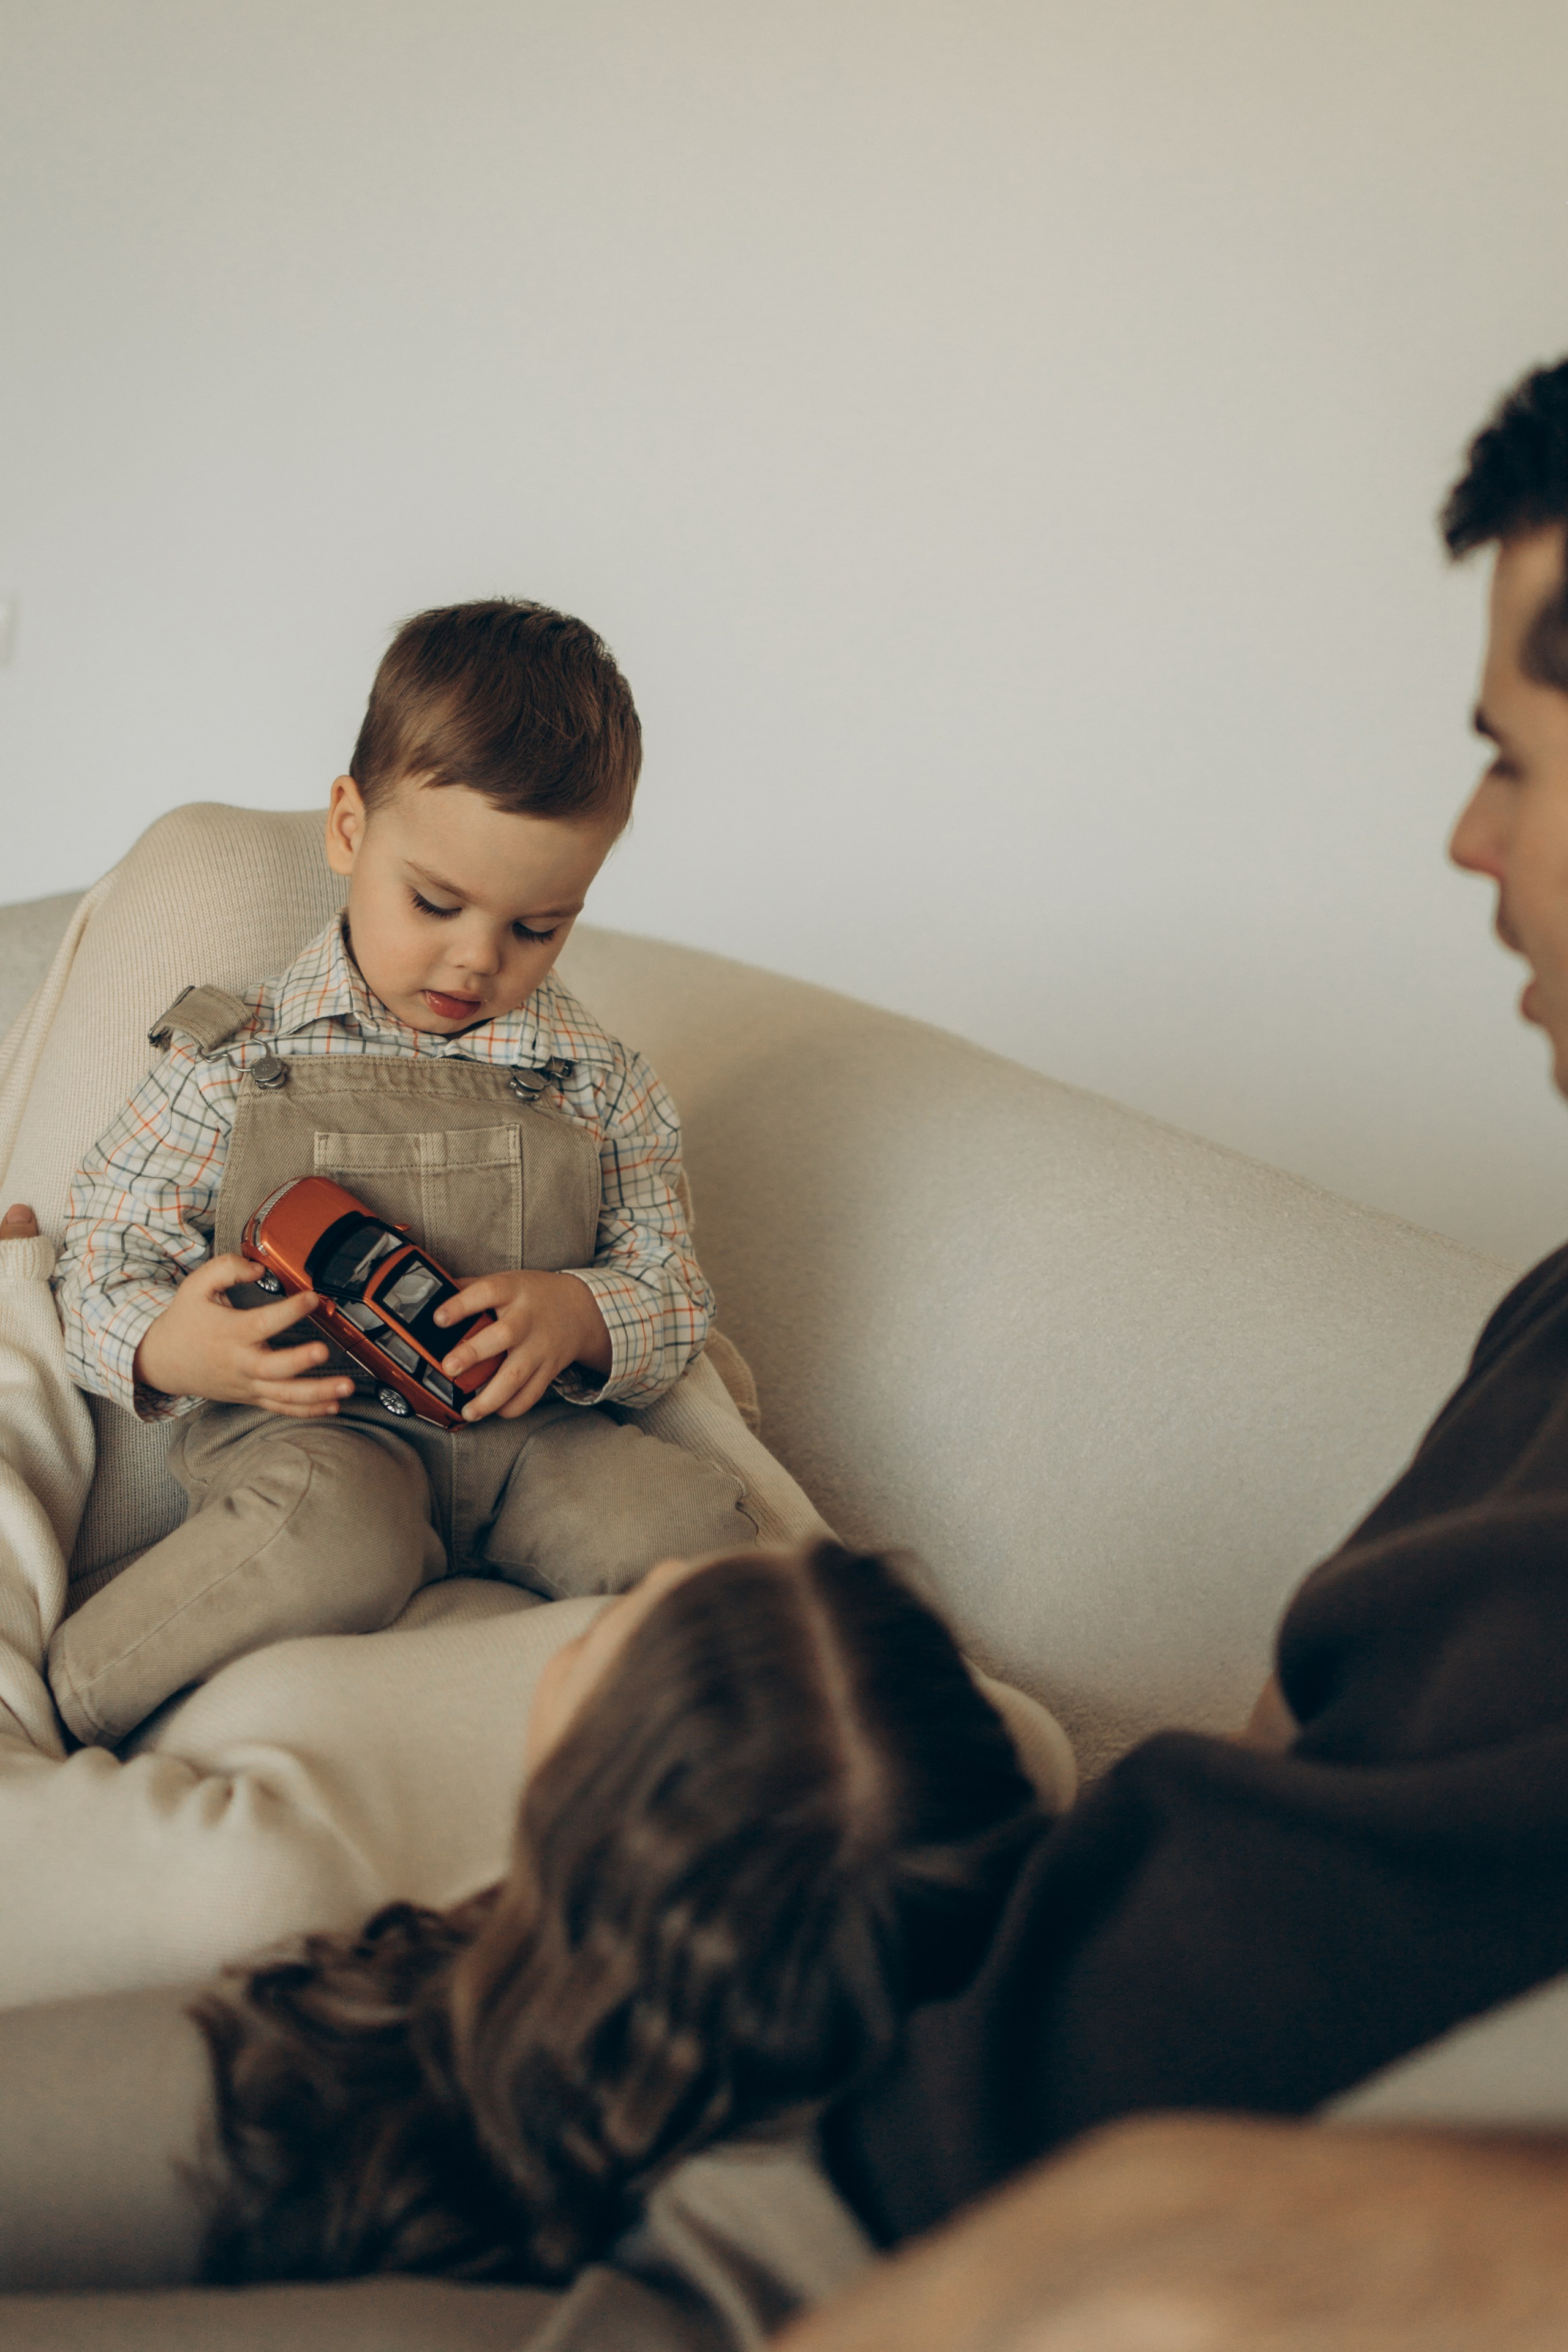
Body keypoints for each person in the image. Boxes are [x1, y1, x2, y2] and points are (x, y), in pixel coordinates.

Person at [777, 351, 1568, 2344]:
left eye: (1523, 761)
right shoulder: (1558, 1313)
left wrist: (1350, 2231)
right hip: (786, 2112)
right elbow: (1278, 1753)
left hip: (880, 2268)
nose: (1473, 845)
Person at [48, 600, 764, 1746]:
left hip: (532, 1443)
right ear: (347, 827)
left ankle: (788, 1753)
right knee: (334, 1539)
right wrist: (166, 1343)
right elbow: (97, 1251)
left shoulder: (600, 1082)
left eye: (539, 928)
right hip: (322, 1440)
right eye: (435, 903)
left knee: (685, 1530)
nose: (477, 959)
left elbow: (674, 1288)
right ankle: (70, 1699)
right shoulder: (233, 1060)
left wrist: (581, 1310)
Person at [179, 1540, 1040, 2286]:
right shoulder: (888, 1871)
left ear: (586, 1801)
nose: (661, 1569)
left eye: (600, 1637)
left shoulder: (255, 1890)